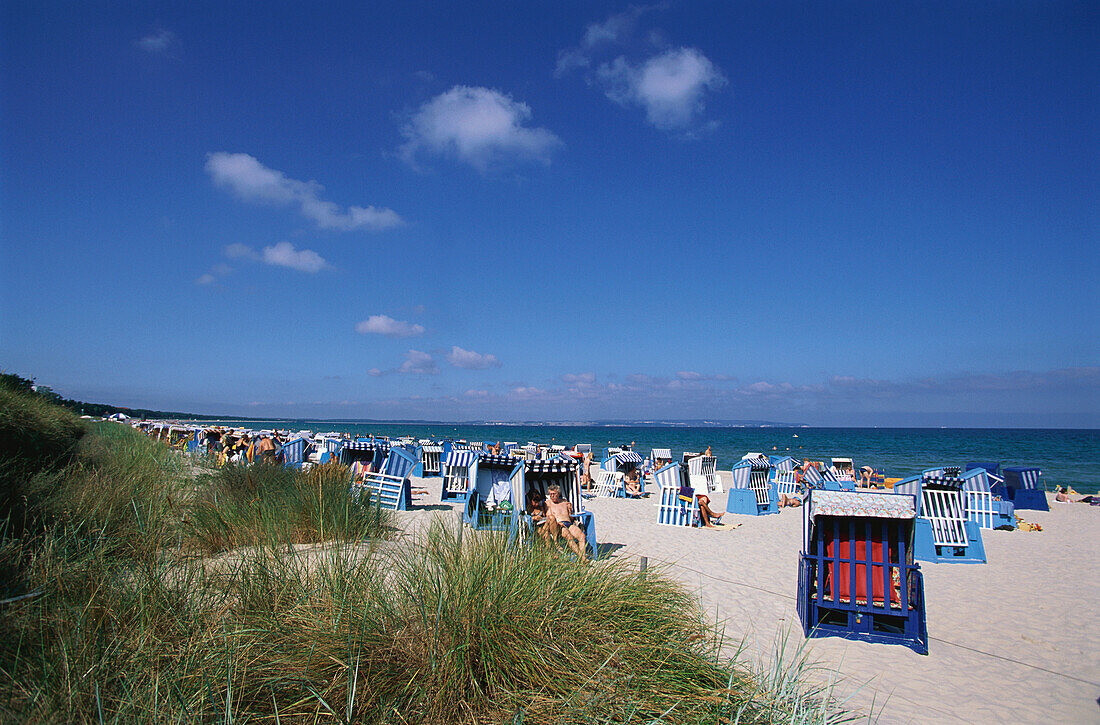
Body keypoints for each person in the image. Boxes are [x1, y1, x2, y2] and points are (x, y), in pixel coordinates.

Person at [544, 483, 587, 558]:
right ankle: (582, 557)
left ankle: (583, 558)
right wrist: (558, 523)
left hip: (568, 524)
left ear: (558, 493)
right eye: (550, 494)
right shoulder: (548, 503)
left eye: (554, 494)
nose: (552, 496)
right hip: (558, 525)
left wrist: (570, 511)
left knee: (582, 536)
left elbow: (571, 516)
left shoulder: (565, 502)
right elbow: (549, 517)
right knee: (568, 535)